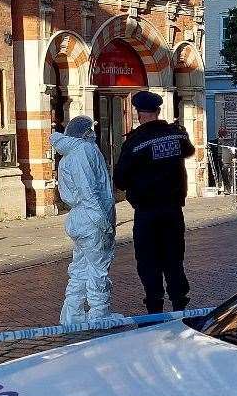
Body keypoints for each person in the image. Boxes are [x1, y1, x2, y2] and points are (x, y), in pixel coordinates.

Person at [114, 90, 195, 313]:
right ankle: (180, 303)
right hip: (173, 210)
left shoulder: (135, 141)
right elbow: (189, 151)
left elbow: (119, 180)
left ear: (139, 114)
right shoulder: (176, 135)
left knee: (149, 260)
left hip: (147, 212)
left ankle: (154, 307)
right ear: (158, 112)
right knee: (174, 257)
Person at [52, 116, 116, 325]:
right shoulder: (84, 151)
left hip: (78, 217)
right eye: (91, 130)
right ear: (86, 132)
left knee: (80, 268)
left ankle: (73, 314)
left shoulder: (68, 154)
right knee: (98, 268)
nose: (94, 133)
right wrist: (103, 222)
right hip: (90, 218)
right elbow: (89, 190)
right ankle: (99, 314)